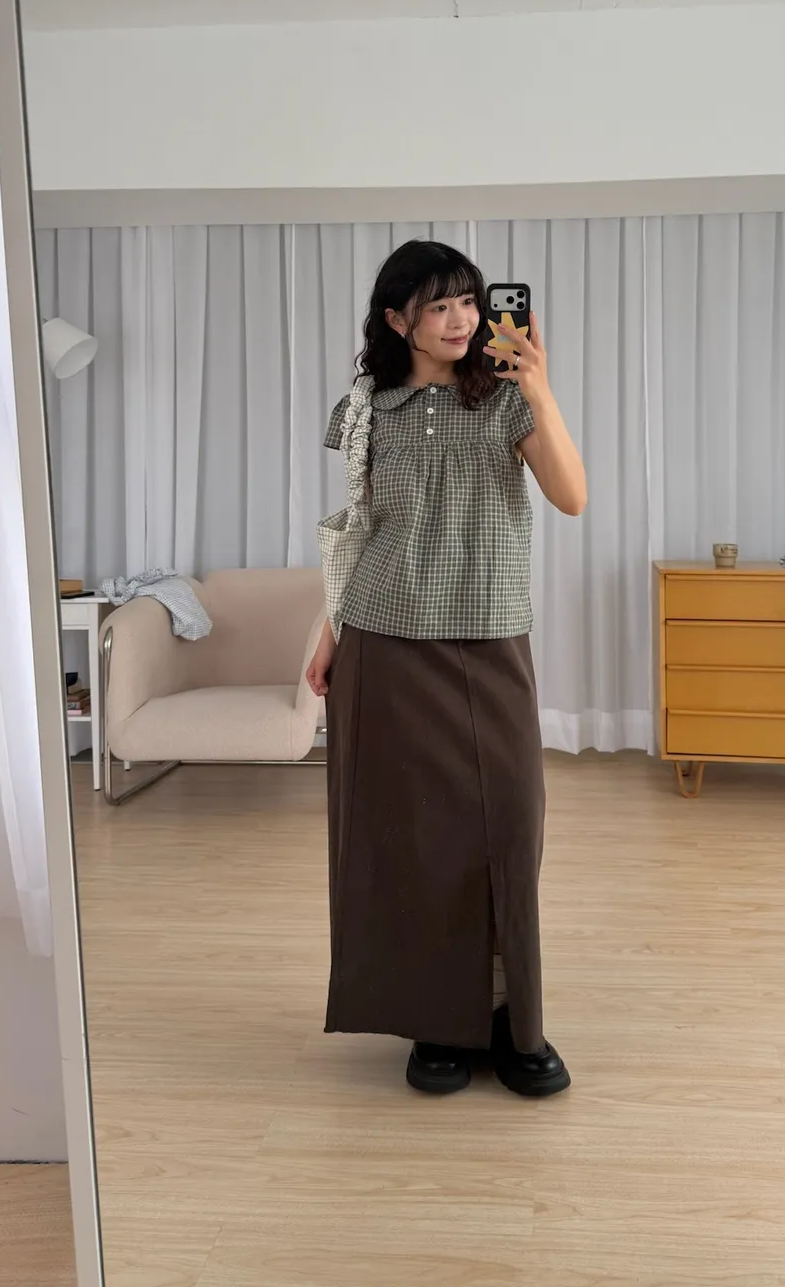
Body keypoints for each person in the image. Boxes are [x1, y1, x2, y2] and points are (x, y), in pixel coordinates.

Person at [306, 240, 587, 1097]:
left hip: (490, 638)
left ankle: (512, 1021)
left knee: (508, 829)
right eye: (439, 304)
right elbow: (357, 527)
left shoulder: (505, 401)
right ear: (398, 320)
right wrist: (329, 631)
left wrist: (538, 385)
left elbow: (572, 496)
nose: (461, 318)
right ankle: (435, 1019)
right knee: (414, 843)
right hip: (384, 640)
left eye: (469, 300)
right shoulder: (367, 410)